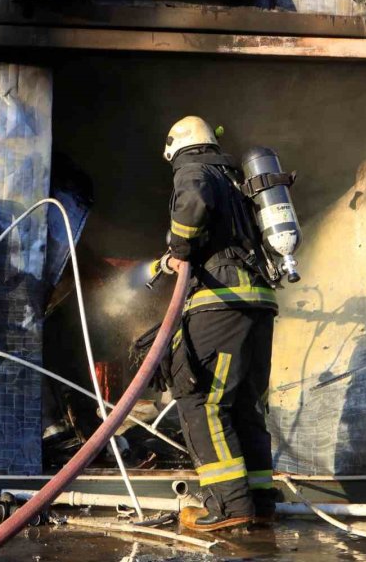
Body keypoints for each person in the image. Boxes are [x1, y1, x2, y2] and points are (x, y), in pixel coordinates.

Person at [156, 116, 279, 531]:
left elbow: (192, 206)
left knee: (203, 400)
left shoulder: (193, 169)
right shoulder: (234, 180)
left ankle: (229, 506)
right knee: (245, 404)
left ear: (177, 147)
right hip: (258, 303)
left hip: (221, 304)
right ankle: (260, 502)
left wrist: (179, 246)